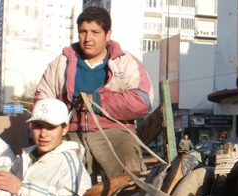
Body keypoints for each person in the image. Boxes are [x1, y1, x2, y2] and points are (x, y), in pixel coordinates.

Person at [34, 6, 154, 180]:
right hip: (71, 133)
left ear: (108, 34)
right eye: (83, 32)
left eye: (95, 32)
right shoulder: (60, 64)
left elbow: (143, 101)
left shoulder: (126, 62)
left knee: (129, 170)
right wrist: (36, 136)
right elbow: (41, 103)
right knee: (57, 174)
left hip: (115, 132)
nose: (88, 38)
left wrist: (98, 101)